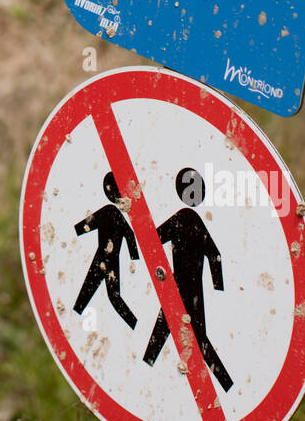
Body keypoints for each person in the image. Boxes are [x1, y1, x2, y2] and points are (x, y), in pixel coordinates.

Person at [143, 167, 233, 392]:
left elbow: (152, 239)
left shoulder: (183, 218)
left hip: (178, 287)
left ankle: (226, 385)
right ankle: (226, 385)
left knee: (175, 335)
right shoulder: (194, 220)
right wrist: (217, 286)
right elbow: (215, 256)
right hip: (193, 290)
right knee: (176, 335)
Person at [72, 171, 140, 329]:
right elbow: (130, 236)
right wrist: (134, 256)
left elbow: (85, 225)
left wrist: (75, 231)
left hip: (102, 257)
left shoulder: (109, 211)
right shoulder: (117, 215)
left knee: (93, 293)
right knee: (108, 296)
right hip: (112, 259)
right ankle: (135, 324)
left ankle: (135, 324)